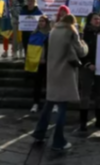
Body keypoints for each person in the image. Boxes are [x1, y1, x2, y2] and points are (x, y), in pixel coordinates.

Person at [32, 13, 87, 152]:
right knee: (62, 106)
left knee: (49, 103)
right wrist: (84, 43)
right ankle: (58, 140)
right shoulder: (71, 31)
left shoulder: (53, 31)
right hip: (65, 72)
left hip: (52, 71)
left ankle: (39, 132)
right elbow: (81, 52)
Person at [77, 13, 100, 132]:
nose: (98, 21)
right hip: (87, 68)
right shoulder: (83, 34)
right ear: (90, 21)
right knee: (85, 94)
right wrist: (88, 64)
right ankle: (83, 122)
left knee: (99, 94)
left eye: (99, 19)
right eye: (95, 19)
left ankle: (99, 120)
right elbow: (80, 51)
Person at [26, 16, 51, 112]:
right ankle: (35, 103)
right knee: (37, 84)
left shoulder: (51, 34)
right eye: (40, 21)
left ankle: (51, 104)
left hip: (49, 63)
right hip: (38, 63)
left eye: (43, 21)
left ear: (46, 23)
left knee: (49, 84)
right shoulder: (34, 34)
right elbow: (31, 50)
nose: (41, 23)